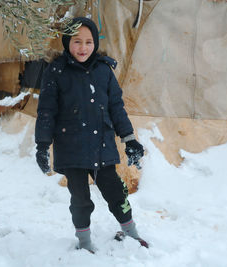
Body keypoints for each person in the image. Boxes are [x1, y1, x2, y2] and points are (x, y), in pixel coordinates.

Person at [34, 17, 148, 252]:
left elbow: (116, 107)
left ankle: (131, 234)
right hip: (71, 148)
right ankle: (84, 243)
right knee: (80, 201)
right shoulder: (56, 71)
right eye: (77, 41)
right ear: (67, 42)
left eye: (88, 42)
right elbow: (47, 111)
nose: (83, 48)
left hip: (101, 146)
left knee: (117, 193)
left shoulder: (104, 70)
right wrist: (42, 145)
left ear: (95, 43)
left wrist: (129, 139)